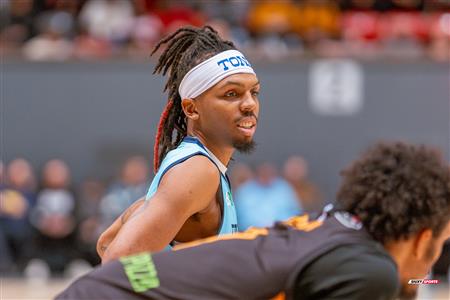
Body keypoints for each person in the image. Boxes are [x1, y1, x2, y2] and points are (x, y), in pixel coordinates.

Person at [57, 142, 450, 300]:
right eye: (441, 245)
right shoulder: (368, 268)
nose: (431, 265)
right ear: (423, 238)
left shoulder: (334, 230)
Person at [97, 25, 260, 262]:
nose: (249, 104)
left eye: (254, 92)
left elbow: (106, 243)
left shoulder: (200, 169)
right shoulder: (196, 171)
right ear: (192, 109)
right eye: (231, 94)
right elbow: (116, 261)